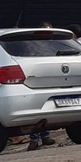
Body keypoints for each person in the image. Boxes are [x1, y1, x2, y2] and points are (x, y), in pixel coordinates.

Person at [25, 20, 57, 150]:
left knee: (47, 111)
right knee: (35, 112)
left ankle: (45, 136)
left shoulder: (55, 45)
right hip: (36, 82)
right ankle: (34, 139)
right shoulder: (33, 46)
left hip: (51, 81)